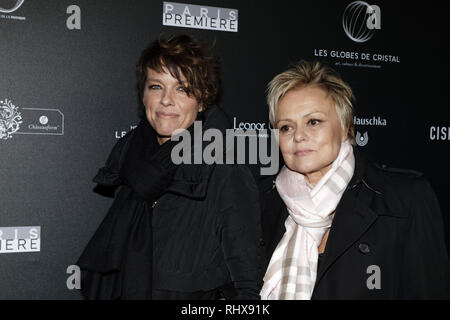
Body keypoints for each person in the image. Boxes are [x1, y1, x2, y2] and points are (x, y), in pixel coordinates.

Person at [77, 34, 264, 300]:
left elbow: (246, 283)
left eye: (182, 89)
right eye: (156, 86)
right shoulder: (130, 161)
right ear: (143, 96)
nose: (166, 100)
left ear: (202, 101)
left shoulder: (225, 165)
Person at [259, 60, 450, 299]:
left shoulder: (404, 199)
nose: (298, 136)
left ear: (346, 127)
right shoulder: (263, 203)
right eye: (286, 127)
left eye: (313, 122)